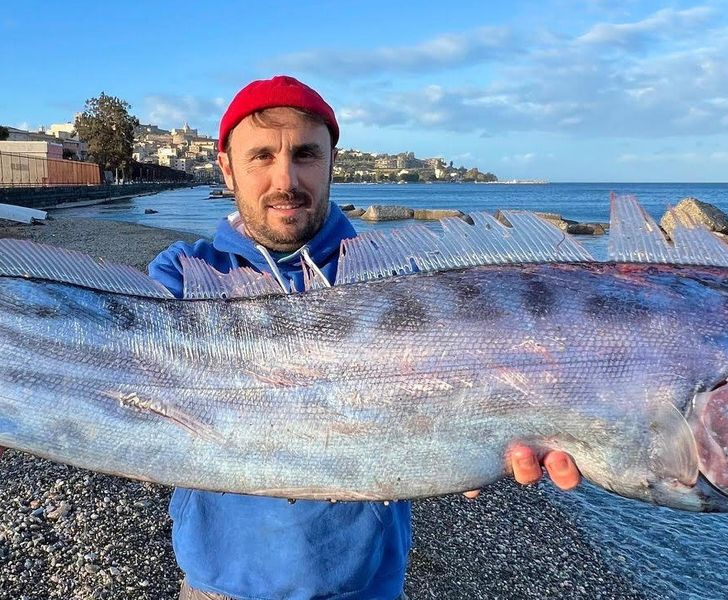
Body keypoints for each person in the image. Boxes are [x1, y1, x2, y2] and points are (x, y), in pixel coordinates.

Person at [1, 75, 582, 600]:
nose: (286, 179)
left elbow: (458, 396)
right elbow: (111, 376)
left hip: (362, 583)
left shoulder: (402, 277)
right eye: (261, 157)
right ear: (226, 169)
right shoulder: (179, 275)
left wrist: (484, 447)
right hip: (221, 582)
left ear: (331, 163)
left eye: (306, 154)